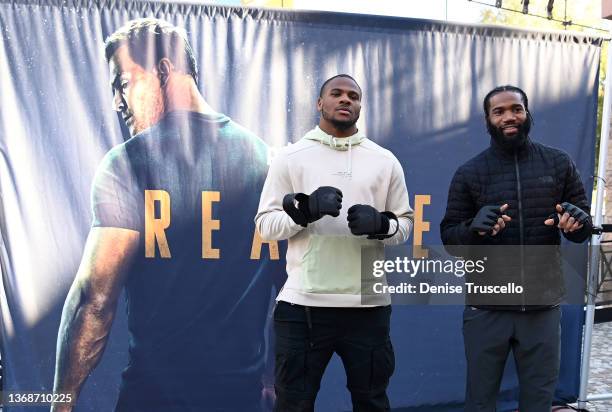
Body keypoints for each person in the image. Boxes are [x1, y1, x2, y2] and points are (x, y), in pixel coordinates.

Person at [52, 18, 274, 411]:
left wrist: (61, 404)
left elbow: (94, 300)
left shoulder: (129, 163)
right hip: (239, 400)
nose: (118, 103)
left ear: (164, 70)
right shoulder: (265, 160)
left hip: (153, 400)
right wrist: (274, 379)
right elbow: (293, 292)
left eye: (123, 83)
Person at [255, 74, 413, 412]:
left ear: (360, 105)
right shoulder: (291, 157)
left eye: (353, 96)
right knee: (293, 404)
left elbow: (405, 226)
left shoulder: (385, 161)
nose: (346, 100)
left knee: (371, 402)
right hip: (303, 306)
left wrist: (383, 224)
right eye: (336, 93)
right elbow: (266, 227)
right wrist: (304, 212)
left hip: (368, 306)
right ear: (320, 103)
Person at [440, 85, 592, 412]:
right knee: (480, 402)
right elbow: (450, 240)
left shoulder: (558, 163)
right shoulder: (469, 172)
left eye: (516, 109)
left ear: (527, 114)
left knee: (538, 401)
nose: (509, 116)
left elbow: (583, 227)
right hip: (486, 309)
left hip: (543, 306)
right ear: (488, 120)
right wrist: (474, 229)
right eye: (499, 111)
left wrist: (578, 223)